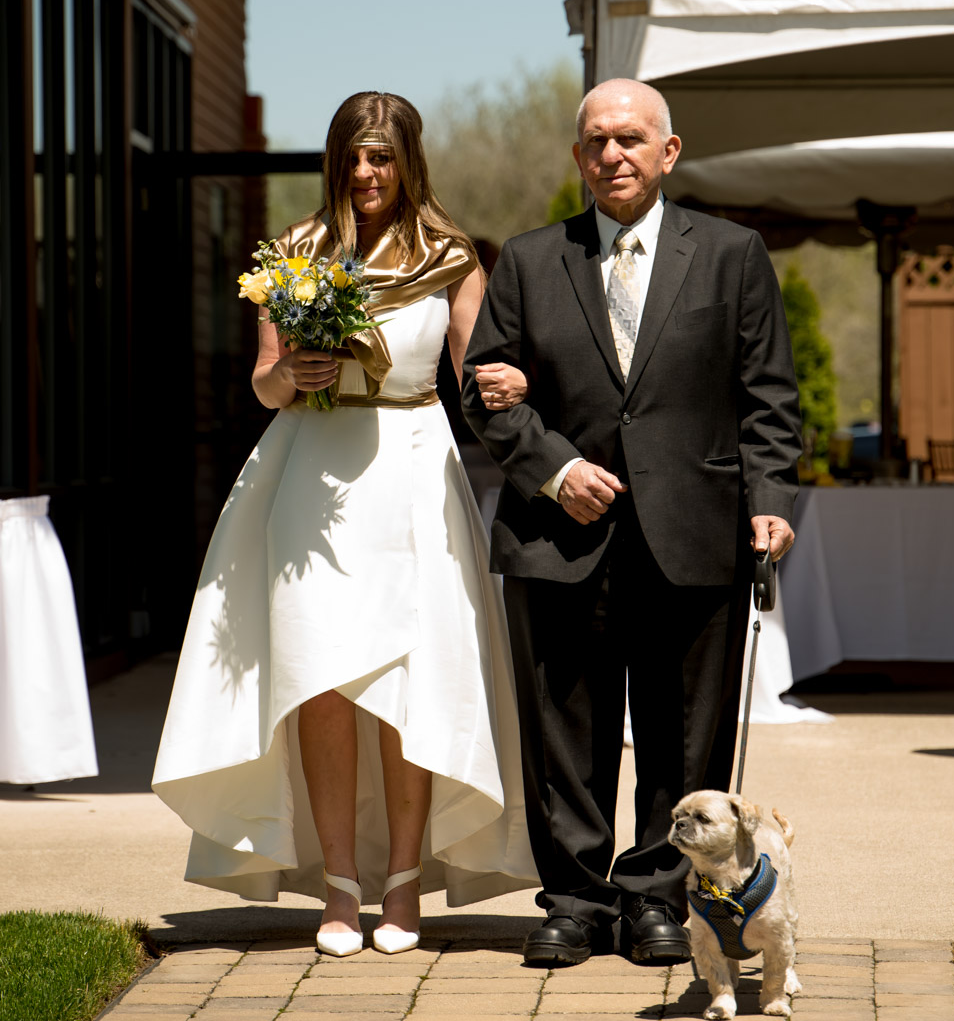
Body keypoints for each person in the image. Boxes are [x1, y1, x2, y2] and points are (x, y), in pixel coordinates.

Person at [153, 91, 537, 956]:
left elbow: (477, 376)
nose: (366, 174)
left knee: (407, 680)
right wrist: (294, 371)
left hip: (411, 467)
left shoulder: (450, 256)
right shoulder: (293, 253)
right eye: (353, 157)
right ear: (334, 160)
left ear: (408, 162)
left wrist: (508, 386)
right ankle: (336, 887)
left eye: (382, 157)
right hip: (309, 471)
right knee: (317, 678)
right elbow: (260, 383)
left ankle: (402, 888)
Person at [462, 78, 802, 969]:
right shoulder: (531, 262)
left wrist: (769, 503)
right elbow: (485, 390)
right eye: (594, 143)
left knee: (681, 729)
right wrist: (554, 469)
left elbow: (768, 397)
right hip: (558, 535)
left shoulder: (732, 256)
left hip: (696, 531)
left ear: (668, 151)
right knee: (562, 734)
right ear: (578, 158)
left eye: (628, 139)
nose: (611, 155)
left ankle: (655, 896)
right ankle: (573, 902)